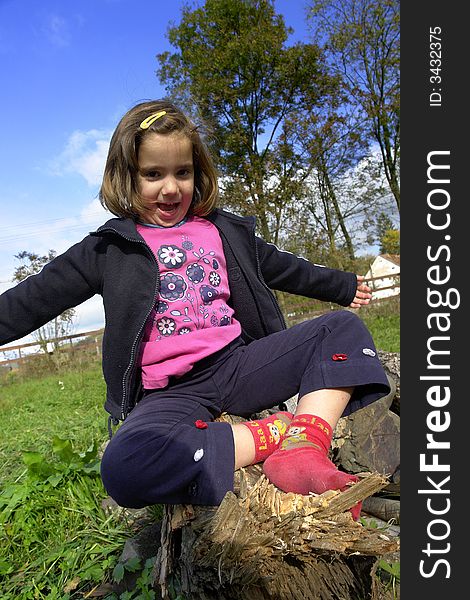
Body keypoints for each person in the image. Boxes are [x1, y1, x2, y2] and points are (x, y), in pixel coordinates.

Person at [0, 99, 390, 519]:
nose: (171, 188)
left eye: (182, 172)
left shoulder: (221, 229)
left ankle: (304, 446)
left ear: (197, 173)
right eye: (153, 174)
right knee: (123, 467)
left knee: (341, 329)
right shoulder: (108, 248)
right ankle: (277, 433)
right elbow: (34, 296)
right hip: (170, 392)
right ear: (125, 177)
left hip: (240, 365)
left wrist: (342, 284)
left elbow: (283, 266)